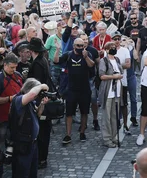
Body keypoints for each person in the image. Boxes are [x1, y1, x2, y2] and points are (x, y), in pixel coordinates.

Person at [54, 37, 95, 145]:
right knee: (69, 113)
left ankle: (82, 132)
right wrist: (58, 49)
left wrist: (86, 57)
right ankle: (68, 135)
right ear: (74, 46)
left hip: (84, 88)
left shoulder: (87, 54)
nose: (80, 48)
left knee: (84, 112)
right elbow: (56, 61)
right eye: (78, 46)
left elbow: (91, 65)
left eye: (82, 46)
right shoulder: (68, 55)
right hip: (71, 88)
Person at [10, 78, 50, 178]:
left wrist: (42, 104)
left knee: (32, 173)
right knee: (22, 173)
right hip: (23, 144)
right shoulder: (19, 100)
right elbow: (32, 94)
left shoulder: (30, 102)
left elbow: (38, 114)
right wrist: (41, 86)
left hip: (32, 144)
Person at [26, 38, 54, 169]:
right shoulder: (43, 61)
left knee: (41, 131)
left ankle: (41, 158)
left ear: (32, 50)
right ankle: (43, 158)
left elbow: (36, 84)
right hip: (44, 98)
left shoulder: (37, 63)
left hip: (40, 99)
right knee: (44, 131)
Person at [98, 40, 123, 148]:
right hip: (108, 92)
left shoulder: (117, 59)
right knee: (106, 117)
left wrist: (119, 75)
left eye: (114, 46)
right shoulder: (104, 61)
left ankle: (114, 137)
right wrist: (114, 77)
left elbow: (121, 71)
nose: (114, 48)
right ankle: (107, 138)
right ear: (107, 50)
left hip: (116, 91)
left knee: (114, 116)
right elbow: (102, 76)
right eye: (111, 47)